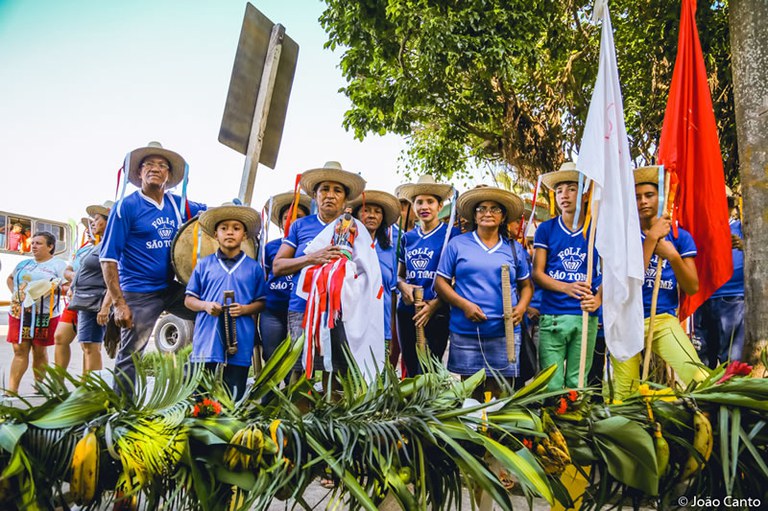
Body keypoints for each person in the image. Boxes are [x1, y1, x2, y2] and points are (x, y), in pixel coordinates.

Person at [100, 141, 206, 395]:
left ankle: (195, 391)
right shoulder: (126, 207)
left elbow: (211, 214)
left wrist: (232, 209)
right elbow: (108, 258)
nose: (155, 169)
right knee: (131, 353)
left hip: (173, 286)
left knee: (209, 314)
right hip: (139, 291)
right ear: (138, 173)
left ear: (169, 176)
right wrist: (118, 303)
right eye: (149, 164)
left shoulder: (177, 204)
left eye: (162, 165)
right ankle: (123, 411)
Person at [610, 166, 707, 400]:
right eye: (637, 197)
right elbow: (628, 282)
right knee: (624, 396)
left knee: (699, 377)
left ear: (661, 197)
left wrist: (672, 255)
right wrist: (651, 238)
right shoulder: (622, 236)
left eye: (649, 195)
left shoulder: (679, 236)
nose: (643, 201)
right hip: (624, 320)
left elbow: (692, 287)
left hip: (662, 319)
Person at [436, 187, 532, 396]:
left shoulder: (514, 249)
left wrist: (522, 307)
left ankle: (495, 429)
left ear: (503, 216)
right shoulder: (458, 244)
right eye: (481, 209)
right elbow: (440, 283)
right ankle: (476, 428)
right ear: (474, 215)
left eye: (494, 209)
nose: (487, 213)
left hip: (504, 333)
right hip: (466, 331)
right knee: (471, 392)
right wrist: (464, 305)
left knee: (500, 393)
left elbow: (526, 286)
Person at [272, 161, 366, 376]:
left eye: (337, 190)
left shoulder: (354, 229)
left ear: (345, 198)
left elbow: (365, 271)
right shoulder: (300, 226)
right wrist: (311, 258)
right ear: (315, 196)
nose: (330, 195)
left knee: (336, 374)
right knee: (299, 370)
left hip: (341, 312)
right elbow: (278, 266)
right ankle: (299, 409)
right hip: (302, 307)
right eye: (324, 189)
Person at [532, 162, 602, 392]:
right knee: (550, 383)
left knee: (578, 382)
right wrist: (566, 287)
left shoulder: (596, 229)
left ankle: (576, 424)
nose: (564, 195)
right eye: (560, 189)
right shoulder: (546, 229)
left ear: (583, 194)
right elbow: (538, 274)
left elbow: (611, 271)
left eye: (572, 188)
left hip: (585, 315)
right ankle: (552, 425)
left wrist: (599, 298)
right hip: (553, 314)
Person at [185, 203, 266, 401]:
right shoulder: (204, 265)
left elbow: (262, 302)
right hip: (208, 334)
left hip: (241, 335)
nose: (230, 232)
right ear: (215, 234)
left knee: (234, 392)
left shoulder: (253, 268)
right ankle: (200, 422)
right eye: (224, 228)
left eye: (236, 228)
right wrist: (205, 305)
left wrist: (246, 308)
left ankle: (230, 425)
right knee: (201, 392)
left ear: (244, 235)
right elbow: (189, 300)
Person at [395, 175, 460, 376]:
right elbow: (399, 275)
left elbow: (457, 278)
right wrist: (402, 286)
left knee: (431, 366)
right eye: (419, 202)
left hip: (437, 309)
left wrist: (435, 305)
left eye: (430, 202)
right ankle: (413, 407)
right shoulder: (408, 237)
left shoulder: (452, 234)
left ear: (440, 206)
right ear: (413, 206)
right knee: (412, 364)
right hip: (408, 311)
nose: (424, 206)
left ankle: (430, 406)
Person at [5, 231, 67, 393]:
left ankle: (39, 387)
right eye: (32, 243)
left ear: (50, 246)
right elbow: (10, 278)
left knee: (39, 351)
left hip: (44, 315)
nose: (33, 246)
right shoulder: (24, 264)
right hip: (19, 313)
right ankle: (12, 391)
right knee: (19, 350)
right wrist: (16, 294)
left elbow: (67, 286)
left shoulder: (58, 265)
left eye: (38, 243)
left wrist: (52, 288)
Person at [58, 201, 114, 372]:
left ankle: (93, 392)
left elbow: (115, 277)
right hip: (85, 302)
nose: (93, 223)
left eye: (97, 219)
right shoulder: (99, 245)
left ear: (108, 220)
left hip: (94, 302)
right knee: (87, 346)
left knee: (91, 348)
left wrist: (105, 306)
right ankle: (88, 387)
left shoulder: (109, 244)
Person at [693, 192, 745, 367]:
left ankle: (730, 389)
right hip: (702, 296)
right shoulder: (700, 228)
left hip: (732, 297)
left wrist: (744, 246)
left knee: (730, 356)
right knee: (703, 354)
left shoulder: (741, 227)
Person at [259, 191, 311, 364]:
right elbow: (263, 279)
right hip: (273, 310)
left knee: (296, 361)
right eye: (287, 217)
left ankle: (292, 390)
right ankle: (270, 392)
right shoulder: (270, 247)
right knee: (272, 359)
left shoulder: (311, 247)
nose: (292, 221)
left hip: (300, 310)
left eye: (299, 216)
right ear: (281, 223)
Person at [349, 190, 401, 358]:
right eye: (366, 210)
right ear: (356, 215)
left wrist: (391, 331)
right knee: (352, 378)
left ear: (382, 218)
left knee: (378, 379)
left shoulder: (389, 251)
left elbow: (391, 293)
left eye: (377, 212)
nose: (372, 215)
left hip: (381, 326)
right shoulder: (347, 246)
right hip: (353, 327)